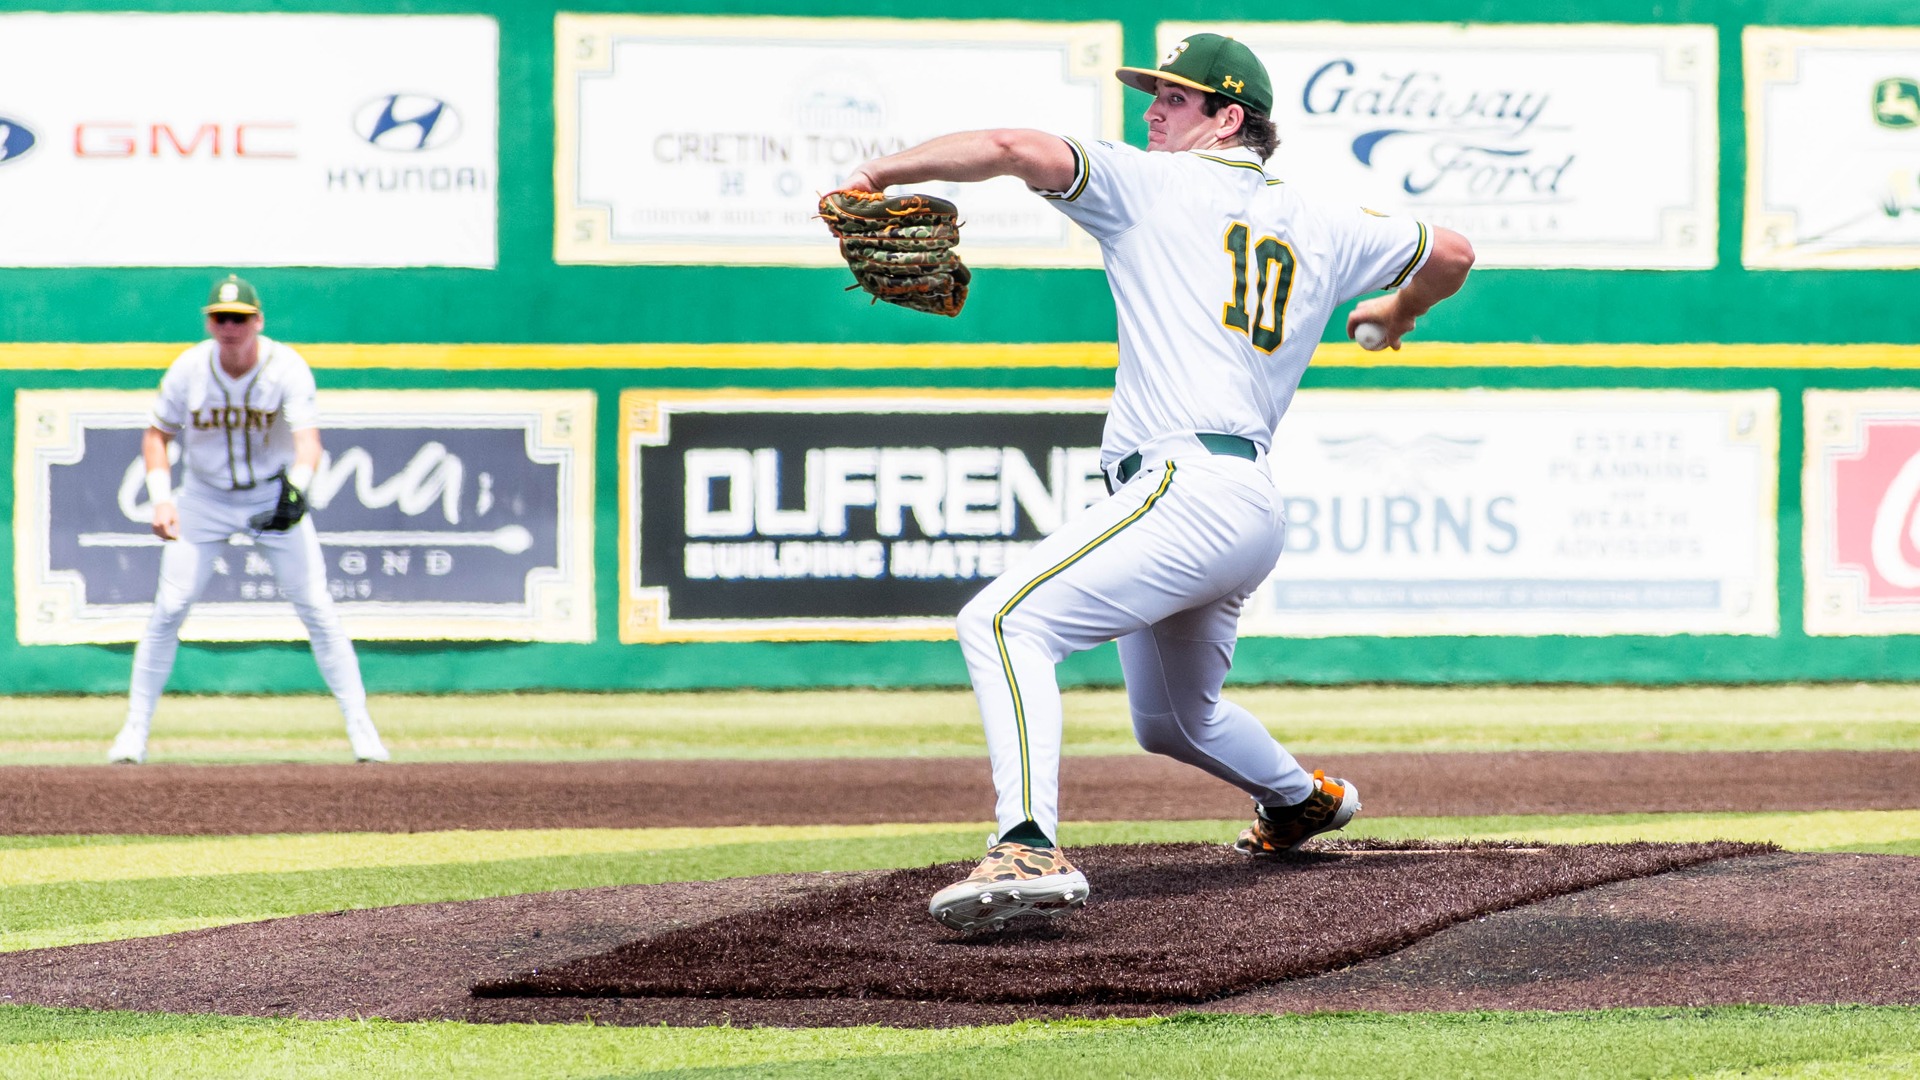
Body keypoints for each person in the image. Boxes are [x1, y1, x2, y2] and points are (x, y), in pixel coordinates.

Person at [843, 33, 1475, 932]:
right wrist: (1397, 309)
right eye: (1154, 94)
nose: (1153, 110)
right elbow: (1452, 251)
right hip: (1247, 503)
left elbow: (1014, 147)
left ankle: (1026, 844)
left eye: (1175, 98)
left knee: (1004, 623)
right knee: (1176, 721)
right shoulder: (1326, 223)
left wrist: (877, 173)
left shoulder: (1150, 182)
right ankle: (1302, 800)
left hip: (1185, 487)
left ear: (1228, 117)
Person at [107, 275, 388, 764]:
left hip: (267, 493)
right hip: (204, 498)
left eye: (239, 318)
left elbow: (308, 442)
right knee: (169, 608)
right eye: (221, 317)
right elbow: (157, 436)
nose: (230, 327)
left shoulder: (286, 368)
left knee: (317, 607)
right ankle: (134, 732)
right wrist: (162, 499)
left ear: (258, 321)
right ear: (208, 322)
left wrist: (297, 489)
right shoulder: (189, 369)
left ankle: (362, 729)